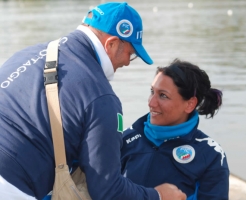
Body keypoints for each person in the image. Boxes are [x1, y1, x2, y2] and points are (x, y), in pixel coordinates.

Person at [0, 2, 187, 200]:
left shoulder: (25, 55)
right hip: (11, 185)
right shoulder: (101, 97)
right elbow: (108, 191)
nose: (126, 63)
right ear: (111, 43)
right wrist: (158, 196)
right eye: (130, 54)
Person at [121, 58, 230, 200]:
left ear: (190, 104)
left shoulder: (211, 155)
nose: (151, 102)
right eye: (152, 91)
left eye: (163, 95)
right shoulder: (125, 139)